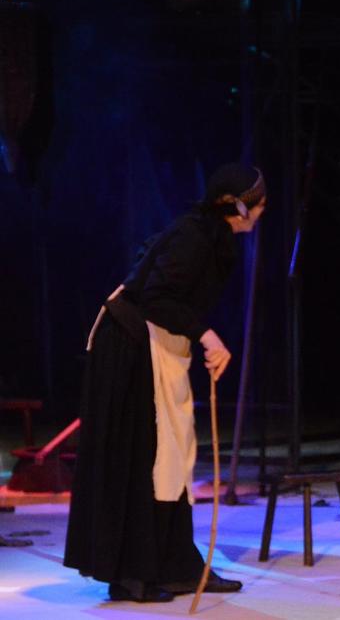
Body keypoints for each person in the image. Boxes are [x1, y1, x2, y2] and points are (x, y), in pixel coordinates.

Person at [64, 163, 266, 603]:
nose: (262, 209)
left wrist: (197, 335)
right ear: (238, 207)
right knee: (147, 457)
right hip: (132, 347)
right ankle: (135, 573)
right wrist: (207, 336)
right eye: (258, 202)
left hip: (155, 344)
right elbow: (155, 296)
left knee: (173, 455)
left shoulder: (207, 236)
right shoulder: (195, 236)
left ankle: (176, 566)